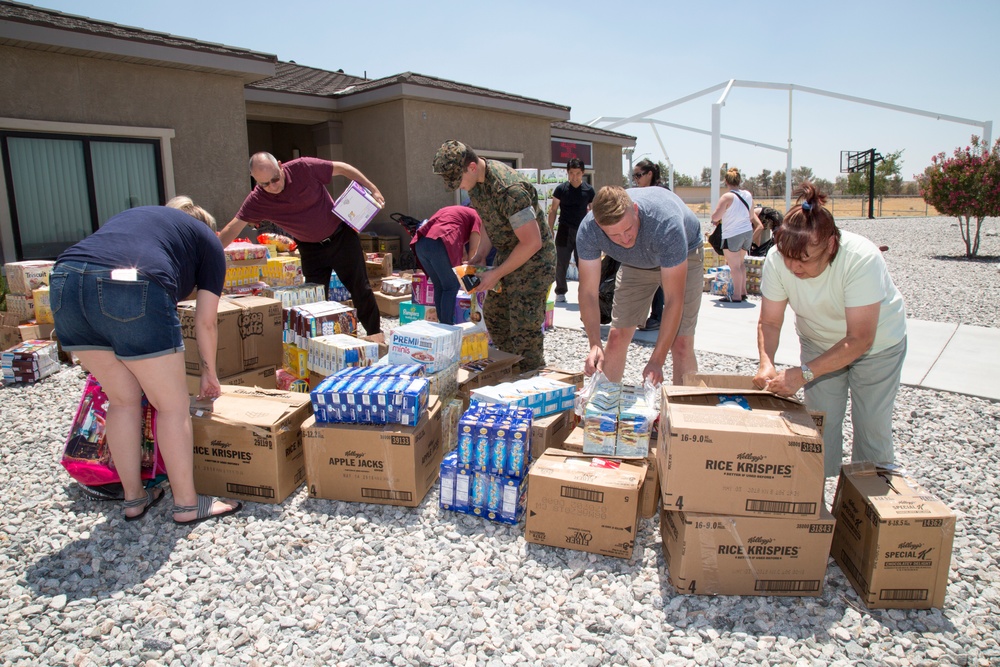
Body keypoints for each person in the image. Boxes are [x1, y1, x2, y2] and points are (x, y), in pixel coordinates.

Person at [49, 201, 242, 525]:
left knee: (123, 402)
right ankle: (187, 505)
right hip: (130, 285)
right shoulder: (210, 243)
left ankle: (134, 498)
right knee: (171, 406)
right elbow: (207, 321)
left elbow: (101, 265)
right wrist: (209, 372)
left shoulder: (145, 220)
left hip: (64, 282)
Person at [753, 182, 907, 478]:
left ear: (831, 245)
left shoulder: (861, 258)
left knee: (871, 426)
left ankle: (869, 504)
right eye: (787, 257)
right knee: (819, 427)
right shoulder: (777, 260)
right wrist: (766, 361)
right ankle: (817, 509)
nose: (794, 267)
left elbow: (860, 339)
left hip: (877, 347)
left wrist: (803, 373)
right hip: (818, 342)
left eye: (804, 260)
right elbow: (770, 321)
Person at [217, 152, 386, 339]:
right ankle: (323, 342)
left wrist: (373, 189)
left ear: (280, 166)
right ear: (255, 180)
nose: (272, 187)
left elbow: (343, 168)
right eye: (264, 184)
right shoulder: (257, 200)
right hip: (310, 249)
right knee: (315, 298)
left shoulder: (304, 168)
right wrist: (210, 253)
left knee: (360, 288)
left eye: (275, 179)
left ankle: (375, 336)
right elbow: (233, 227)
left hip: (341, 238)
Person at [432, 140, 556, 371]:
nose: (459, 187)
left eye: (458, 180)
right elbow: (490, 221)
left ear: (471, 167)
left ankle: (530, 377)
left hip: (534, 262)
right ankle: (510, 371)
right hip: (509, 255)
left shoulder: (510, 190)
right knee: (496, 319)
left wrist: (496, 273)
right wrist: (481, 254)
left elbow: (532, 242)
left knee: (523, 329)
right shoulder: (477, 184)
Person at [576, 186, 703, 385]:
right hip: (635, 262)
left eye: (628, 229)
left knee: (681, 343)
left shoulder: (666, 224)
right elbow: (588, 292)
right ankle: (604, 410)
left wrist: (656, 361)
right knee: (616, 336)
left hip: (684, 253)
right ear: (599, 226)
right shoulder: (589, 230)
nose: (625, 239)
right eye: (614, 236)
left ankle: (683, 411)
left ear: (635, 209)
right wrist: (594, 345)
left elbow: (673, 300)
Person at [409, 205, 482, 325]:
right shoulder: (476, 216)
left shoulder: (454, 211)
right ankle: (446, 326)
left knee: (439, 285)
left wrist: (462, 255)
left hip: (421, 244)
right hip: (439, 243)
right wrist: (471, 274)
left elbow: (458, 240)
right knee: (450, 286)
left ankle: (441, 326)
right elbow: (474, 250)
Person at [709, 167, 762, 302]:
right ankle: (743, 291)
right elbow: (751, 215)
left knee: (734, 266)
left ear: (726, 181)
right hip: (747, 232)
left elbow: (715, 217)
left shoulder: (727, 197)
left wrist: (719, 219)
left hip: (732, 234)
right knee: (740, 263)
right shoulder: (747, 195)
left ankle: (736, 295)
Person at [547, 158, 595, 303]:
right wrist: (550, 229)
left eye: (578, 173)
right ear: (567, 173)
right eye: (571, 173)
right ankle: (560, 291)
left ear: (583, 173)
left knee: (584, 263)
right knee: (561, 262)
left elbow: (593, 212)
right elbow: (553, 210)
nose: (574, 176)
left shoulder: (589, 190)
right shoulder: (561, 189)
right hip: (564, 229)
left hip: (583, 231)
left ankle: (585, 291)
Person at [632, 158, 667, 330]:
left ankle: (657, 317)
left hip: (662, 244)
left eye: (638, 175)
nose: (636, 180)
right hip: (649, 245)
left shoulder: (660, 192)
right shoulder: (645, 192)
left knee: (657, 281)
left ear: (650, 174)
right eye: (634, 176)